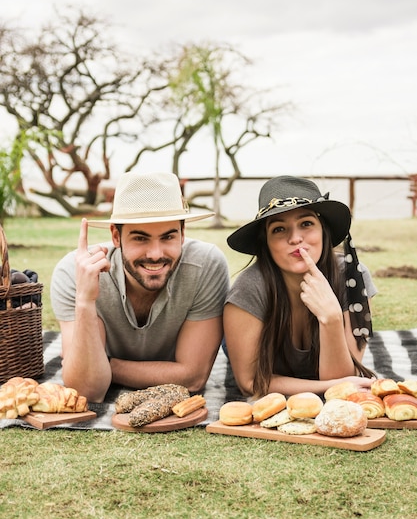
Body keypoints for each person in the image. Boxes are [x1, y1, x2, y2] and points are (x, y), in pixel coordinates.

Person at [50, 172, 230, 402]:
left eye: (168, 237)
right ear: (116, 236)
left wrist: (107, 367)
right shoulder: (74, 272)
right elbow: (88, 390)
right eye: (140, 238)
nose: (155, 254)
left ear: (183, 234)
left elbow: (192, 378)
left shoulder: (206, 265)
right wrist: (85, 301)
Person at [223, 175, 377, 399]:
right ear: (265, 242)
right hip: (246, 342)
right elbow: (250, 382)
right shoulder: (249, 288)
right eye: (279, 229)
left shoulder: (353, 277)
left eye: (306, 224)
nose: (295, 238)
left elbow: (344, 378)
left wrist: (331, 318)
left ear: (323, 230)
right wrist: (326, 387)